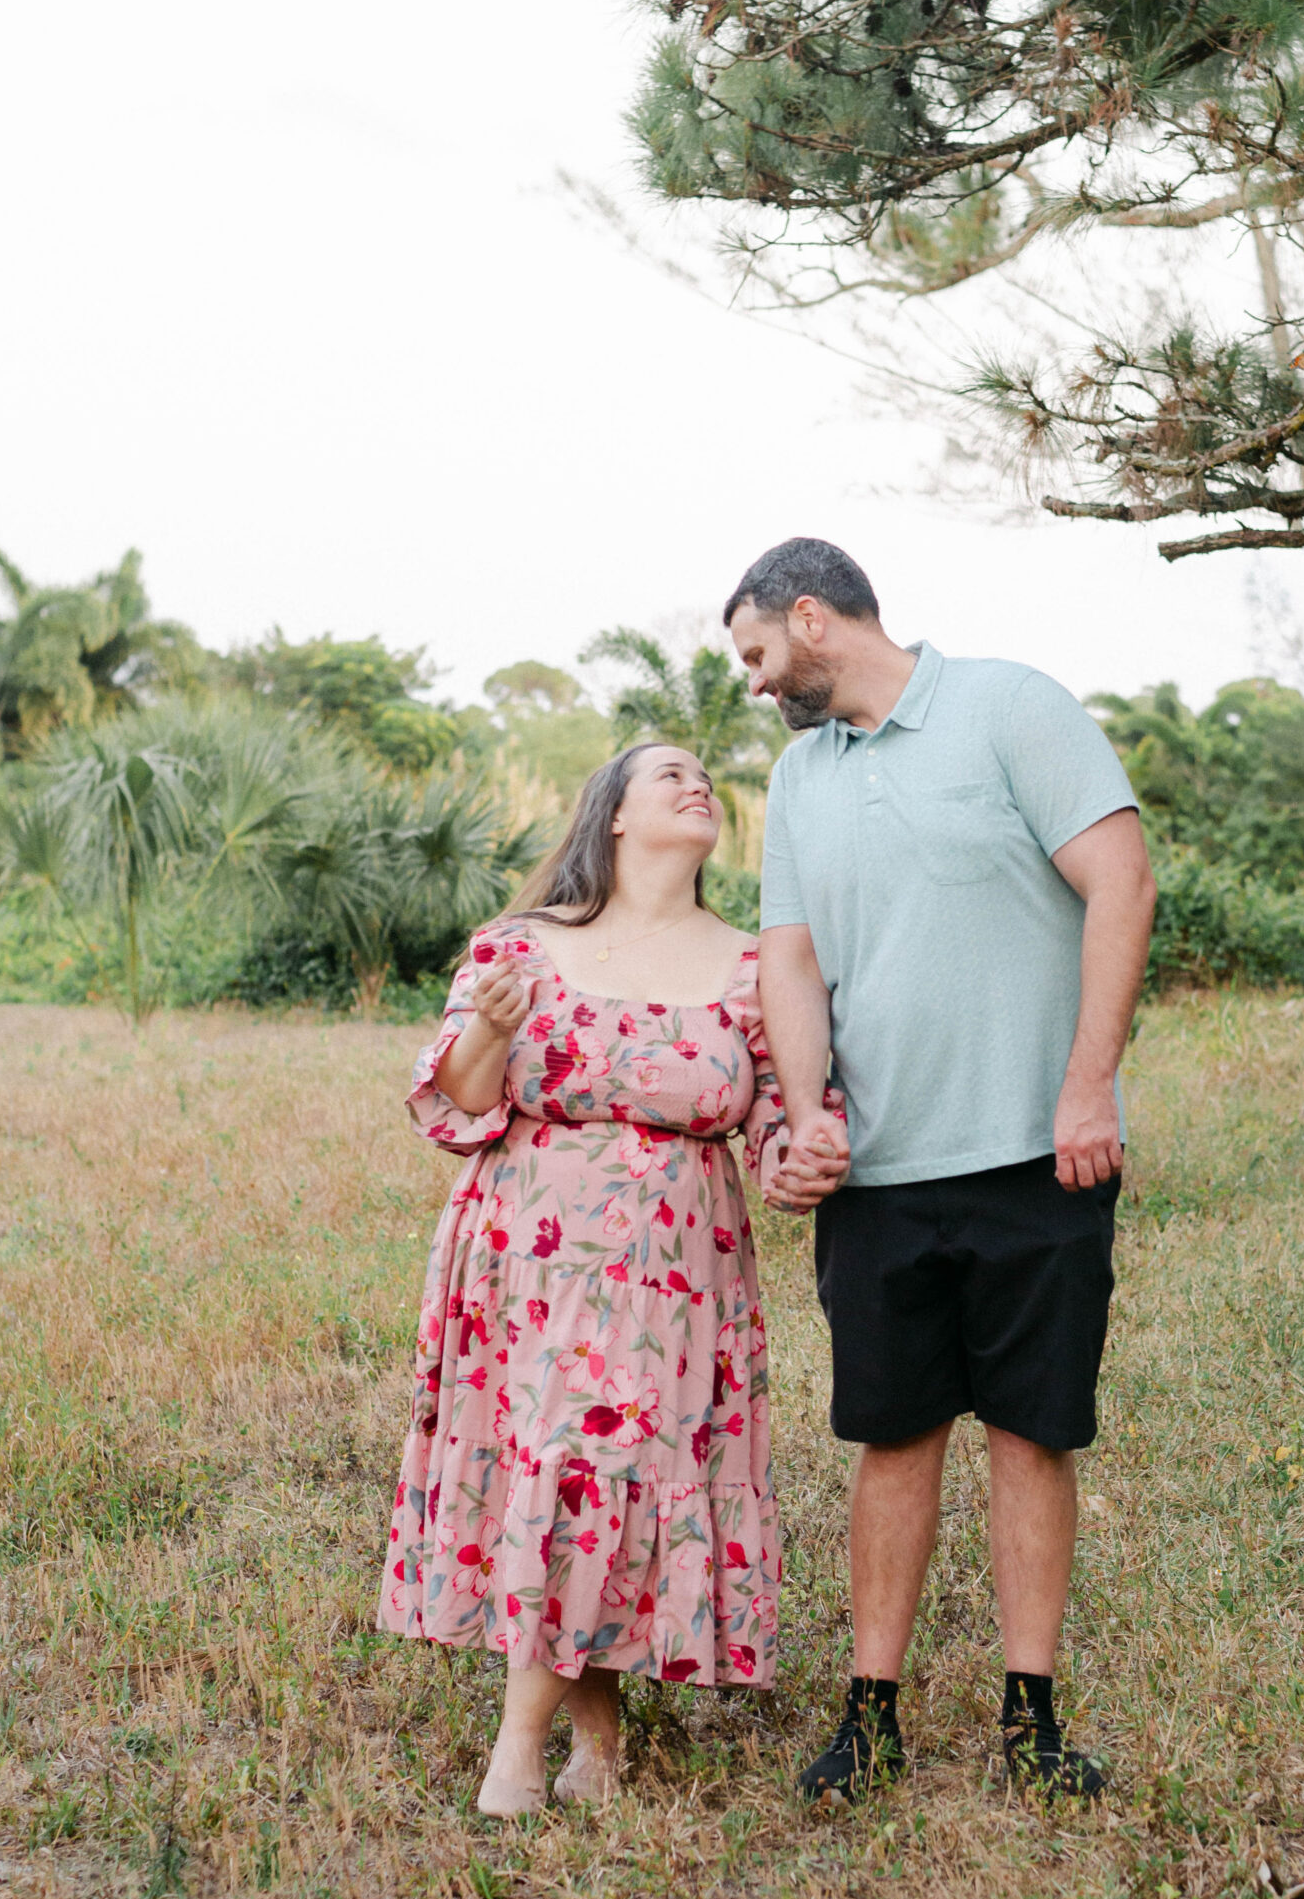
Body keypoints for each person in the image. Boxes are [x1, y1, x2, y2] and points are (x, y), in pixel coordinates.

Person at [725, 538, 1156, 1805]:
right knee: (890, 1432)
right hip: (878, 1175)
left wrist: (1084, 1085)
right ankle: (871, 1717)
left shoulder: (1009, 706)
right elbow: (789, 961)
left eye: (756, 652)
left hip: (1039, 1153)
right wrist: (805, 1117)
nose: (754, 682)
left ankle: (1031, 1718)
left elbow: (1120, 883)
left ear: (811, 618)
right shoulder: (801, 778)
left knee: (1031, 1432)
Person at [378, 742, 821, 1817]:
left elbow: (776, 1127)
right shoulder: (521, 944)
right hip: (528, 1255)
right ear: (612, 815)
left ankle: (574, 1733)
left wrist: (806, 1157)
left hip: (676, 1272)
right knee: (569, 1466)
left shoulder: (752, 964)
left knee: (611, 1475)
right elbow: (464, 1104)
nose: (695, 781)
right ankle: (539, 1743)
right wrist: (487, 1026)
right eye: (666, 771)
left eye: (705, 773)